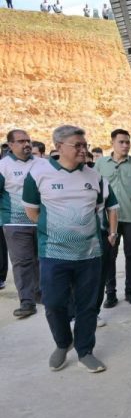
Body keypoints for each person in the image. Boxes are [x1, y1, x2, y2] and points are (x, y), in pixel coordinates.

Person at [22, 125, 118, 373]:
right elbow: (32, 211)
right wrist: (56, 231)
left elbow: (101, 208)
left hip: (90, 254)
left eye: (84, 145)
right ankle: (63, 343)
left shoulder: (94, 176)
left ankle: (85, 350)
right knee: (54, 302)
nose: (83, 149)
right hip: (53, 254)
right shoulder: (39, 174)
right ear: (58, 147)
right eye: (77, 145)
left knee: (88, 306)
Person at [94, 129, 131, 307]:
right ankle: (110, 293)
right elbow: (94, 189)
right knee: (109, 256)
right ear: (112, 142)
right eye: (121, 142)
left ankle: (130, 291)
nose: (125, 145)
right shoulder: (101, 164)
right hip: (107, 218)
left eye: (128, 142)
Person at [0, 130, 42, 318]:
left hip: (42, 222)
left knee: (44, 261)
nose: (26, 144)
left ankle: (43, 295)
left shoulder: (43, 164)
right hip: (15, 224)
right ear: (10, 145)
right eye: (21, 141)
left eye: (28, 140)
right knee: (23, 262)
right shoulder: (3, 166)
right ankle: (27, 302)